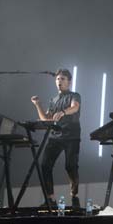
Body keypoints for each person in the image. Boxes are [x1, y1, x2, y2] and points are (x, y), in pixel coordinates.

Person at [31, 68, 81, 209]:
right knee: (45, 165)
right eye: (58, 79)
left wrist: (63, 112)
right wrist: (38, 105)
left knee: (70, 166)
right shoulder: (53, 100)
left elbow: (75, 108)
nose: (59, 82)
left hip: (72, 136)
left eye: (63, 79)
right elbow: (46, 118)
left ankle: (74, 196)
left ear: (69, 82)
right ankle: (50, 199)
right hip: (55, 137)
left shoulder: (74, 95)